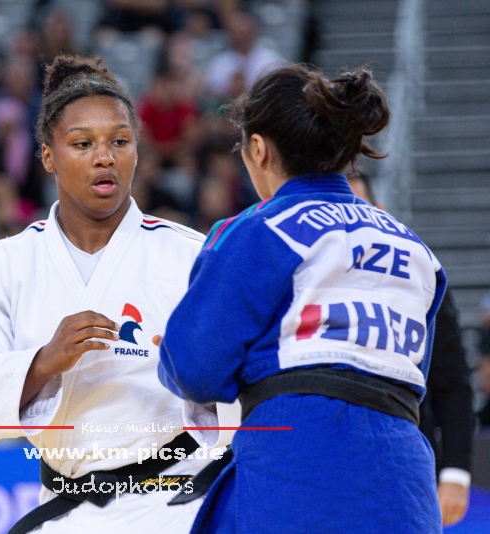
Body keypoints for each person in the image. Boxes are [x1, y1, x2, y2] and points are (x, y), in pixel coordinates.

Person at [0, 55, 238, 533]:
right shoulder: (6, 266)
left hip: (177, 502)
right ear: (49, 156)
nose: (104, 157)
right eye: (82, 143)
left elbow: (247, 386)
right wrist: (43, 362)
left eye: (120, 141)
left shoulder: (191, 258)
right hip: (66, 509)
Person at [159, 64, 447, 532]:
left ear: (258, 148)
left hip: (298, 468)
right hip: (404, 483)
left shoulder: (259, 228)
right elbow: (409, 375)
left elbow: (195, 369)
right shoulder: (417, 250)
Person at [348, 172, 474, 527]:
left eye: (360, 208)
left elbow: (452, 382)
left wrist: (456, 473)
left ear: (381, 211)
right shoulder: (300, 279)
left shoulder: (420, 274)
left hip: (405, 462)